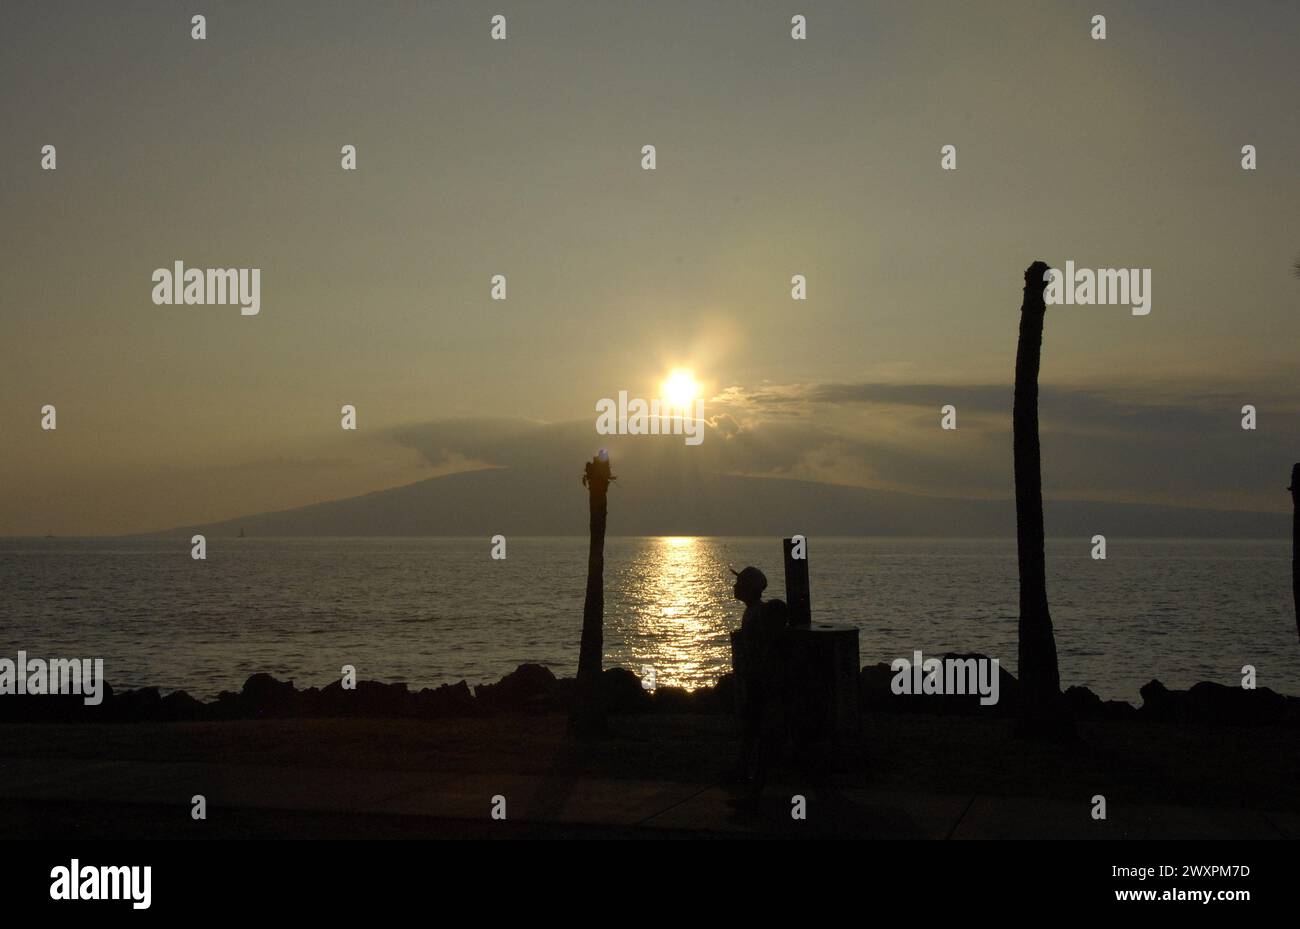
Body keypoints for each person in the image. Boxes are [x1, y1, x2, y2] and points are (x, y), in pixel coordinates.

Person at [729, 566, 788, 809]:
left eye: (739, 583)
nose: (734, 586)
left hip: (761, 684)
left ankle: (753, 792)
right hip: (759, 682)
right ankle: (746, 779)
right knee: (754, 734)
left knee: (761, 736)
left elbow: (761, 651)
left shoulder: (757, 615)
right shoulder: (754, 613)